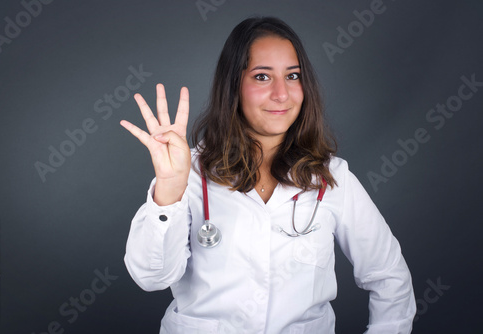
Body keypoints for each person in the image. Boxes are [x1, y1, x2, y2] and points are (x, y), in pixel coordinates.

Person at [121, 17, 416, 334]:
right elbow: (151, 278)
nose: (281, 94)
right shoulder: (188, 175)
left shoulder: (331, 178)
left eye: (293, 76)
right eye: (262, 77)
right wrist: (169, 189)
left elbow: (389, 276)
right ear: (233, 86)